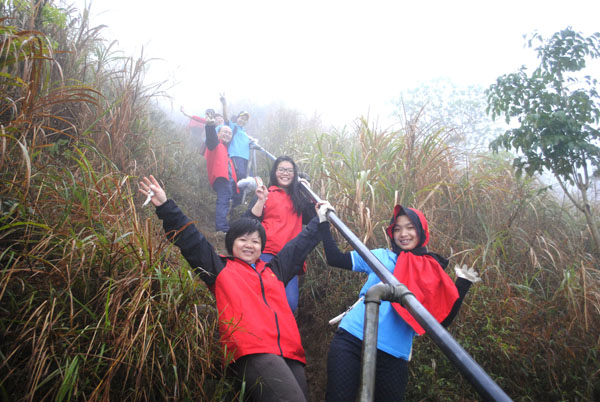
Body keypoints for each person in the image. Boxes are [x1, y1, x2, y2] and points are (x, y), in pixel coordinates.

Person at [139, 175, 326, 402]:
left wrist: (320, 220)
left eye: (256, 241)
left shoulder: (274, 271)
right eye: (243, 240)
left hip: (290, 351)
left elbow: (298, 246)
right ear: (231, 243)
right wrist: (165, 206)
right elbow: (192, 240)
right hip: (253, 350)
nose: (249, 245)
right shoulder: (220, 268)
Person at [317, 203, 481, 402]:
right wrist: (324, 222)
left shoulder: (431, 272)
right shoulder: (381, 257)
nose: (403, 234)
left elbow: (440, 324)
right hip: (352, 339)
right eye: (397, 229)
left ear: (421, 231)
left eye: (410, 227)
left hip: (393, 355)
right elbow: (335, 259)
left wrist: (461, 286)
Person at [244, 156, 316, 313]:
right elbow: (248, 222)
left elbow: (313, 218)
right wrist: (261, 200)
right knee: (263, 297)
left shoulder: (298, 199)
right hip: (266, 252)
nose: (285, 173)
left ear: (295, 174)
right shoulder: (266, 193)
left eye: (289, 171)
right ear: (275, 172)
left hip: (291, 257)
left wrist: (308, 193)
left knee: (290, 304)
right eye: (281, 170)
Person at [204, 118, 237, 233]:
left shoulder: (225, 149)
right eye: (225, 132)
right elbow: (211, 139)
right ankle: (222, 228)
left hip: (226, 180)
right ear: (218, 133)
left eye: (230, 133)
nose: (227, 134)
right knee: (223, 201)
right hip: (221, 178)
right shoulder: (216, 144)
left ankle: (223, 225)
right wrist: (210, 126)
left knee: (225, 201)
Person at [221, 96, 254, 207]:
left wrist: (252, 141)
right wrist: (224, 104)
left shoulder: (244, 132)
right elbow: (226, 118)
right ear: (237, 118)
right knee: (239, 177)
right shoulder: (233, 126)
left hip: (245, 159)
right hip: (235, 156)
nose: (242, 121)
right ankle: (233, 201)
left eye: (245, 120)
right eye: (241, 118)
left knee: (247, 179)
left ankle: (238, 203)